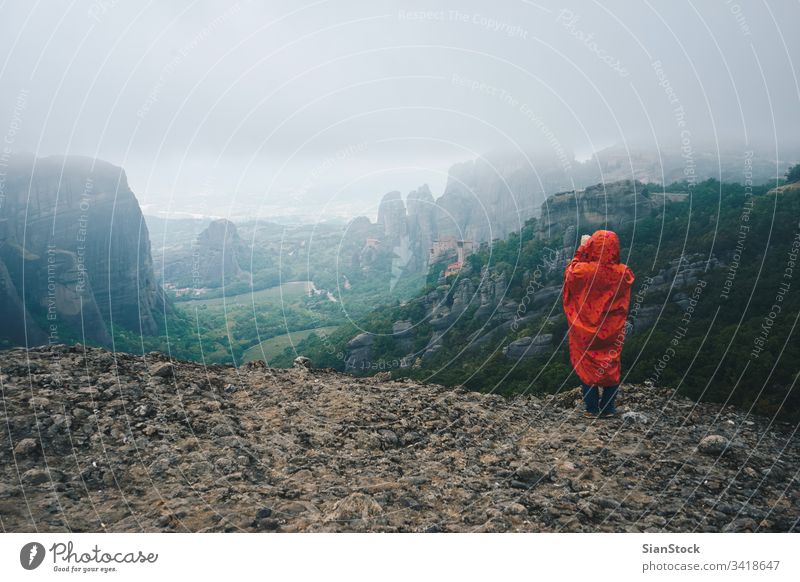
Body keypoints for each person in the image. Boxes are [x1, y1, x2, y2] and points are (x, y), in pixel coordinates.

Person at [562, 230, 635, 418]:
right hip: (612, 328)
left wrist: (583, 248)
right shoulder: (623, 272)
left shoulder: (584, 271)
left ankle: (592, 409)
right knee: (611, 363)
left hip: (586, 328)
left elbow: (570, 272)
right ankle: (609, 408)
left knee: (588, 364)